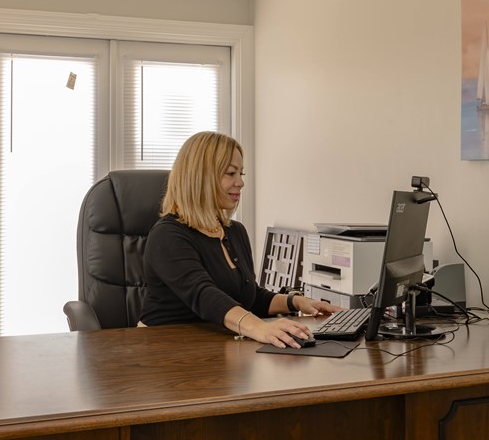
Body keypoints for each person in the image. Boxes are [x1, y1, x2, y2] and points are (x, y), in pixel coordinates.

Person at [141, 131, 341, 348]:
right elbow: (204, 295)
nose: (240, 183)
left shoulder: (235, 232)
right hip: (166, 351)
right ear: (200, 177)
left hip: (218, 348)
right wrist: (259, 328)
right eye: (230, 173)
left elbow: (250, 298)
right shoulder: (168, 235)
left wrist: (297, 302)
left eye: (241, 173)